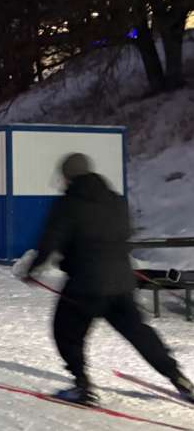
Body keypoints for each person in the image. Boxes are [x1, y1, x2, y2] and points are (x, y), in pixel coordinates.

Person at [21, 153, 194, 405]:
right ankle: (178, 378)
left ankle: (82, 387)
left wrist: (33, 269)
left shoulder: (68, 203)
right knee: (140, 333)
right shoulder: (116, 201)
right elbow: (124, 233)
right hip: (121, 282)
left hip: (85, 286)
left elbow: (50, 241)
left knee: (66, 332)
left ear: (68, 176)